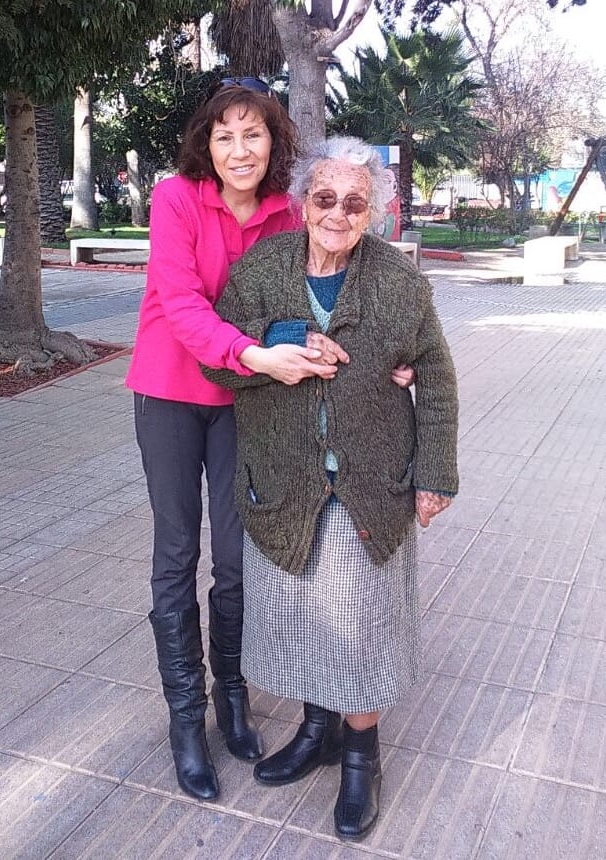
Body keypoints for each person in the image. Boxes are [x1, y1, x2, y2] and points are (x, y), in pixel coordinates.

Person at [127, 81, 414, 803]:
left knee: (238, 558)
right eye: (224, 135)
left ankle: (232, 700)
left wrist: (393, 353)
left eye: (253, 133)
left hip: (251, 403)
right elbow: (180, 301)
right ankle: (187, 720)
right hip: (172, 389)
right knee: (175, 553)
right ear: (207, 144)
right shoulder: (177, 200)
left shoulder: (292, 209)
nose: (238, 148)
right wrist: (254, 354)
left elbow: (326, 287)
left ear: (273, 140)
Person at [202, 136, 458, 839]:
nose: (338, 213)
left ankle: (361, 758)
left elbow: (434, 373)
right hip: (284, 484)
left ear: (373, 211)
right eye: (325, 198)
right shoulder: (260, 270)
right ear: (302, 202)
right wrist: (286, 339)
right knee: (302, 616)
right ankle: (318, 731)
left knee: (360, 627)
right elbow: (221, 362)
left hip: (368, 486)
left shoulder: (399, 284)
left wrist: (436, 474)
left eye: (354, 202)